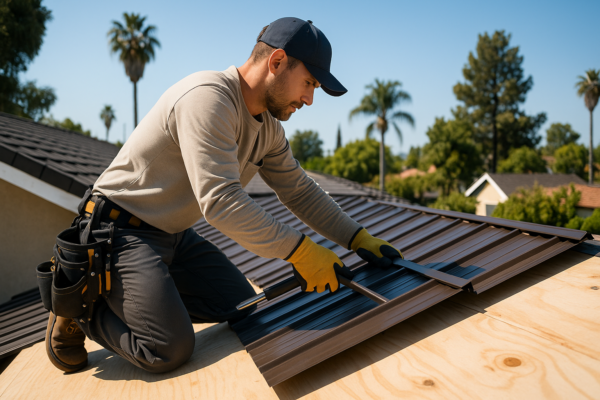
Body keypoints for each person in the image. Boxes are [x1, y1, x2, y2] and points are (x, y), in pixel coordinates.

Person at [45, 17, 403, 374]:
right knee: (169, 349)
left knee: (243, 306)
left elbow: (300, 191)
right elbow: (220, 202)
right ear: (276, 62)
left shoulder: (269, 129)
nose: (309, 99)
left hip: (173, 235)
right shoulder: (208, 98)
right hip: (119, 231)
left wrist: (357, 238)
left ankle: (138, 298)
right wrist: (301, 251)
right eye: (308, 83)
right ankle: (79, 302)